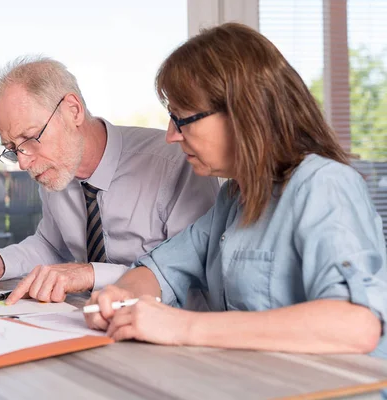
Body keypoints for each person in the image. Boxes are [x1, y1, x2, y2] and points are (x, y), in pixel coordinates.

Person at [85, 22, 387, 358]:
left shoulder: (324, 185)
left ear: (244, 114)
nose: (171, 135)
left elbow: (356, 325)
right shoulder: (233, 198)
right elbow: (160, 271)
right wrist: (118, 297)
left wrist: (183, 327)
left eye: (182, 118)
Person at [0, 56, 219, 304]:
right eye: (13, 148)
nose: (24, 162)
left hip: (170, 332)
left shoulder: (174, 163)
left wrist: (90, 274)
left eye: (29, 138)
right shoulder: (56, 171)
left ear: (73, 110)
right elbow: (51, 245)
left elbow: (189, 270)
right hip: (89, 322)